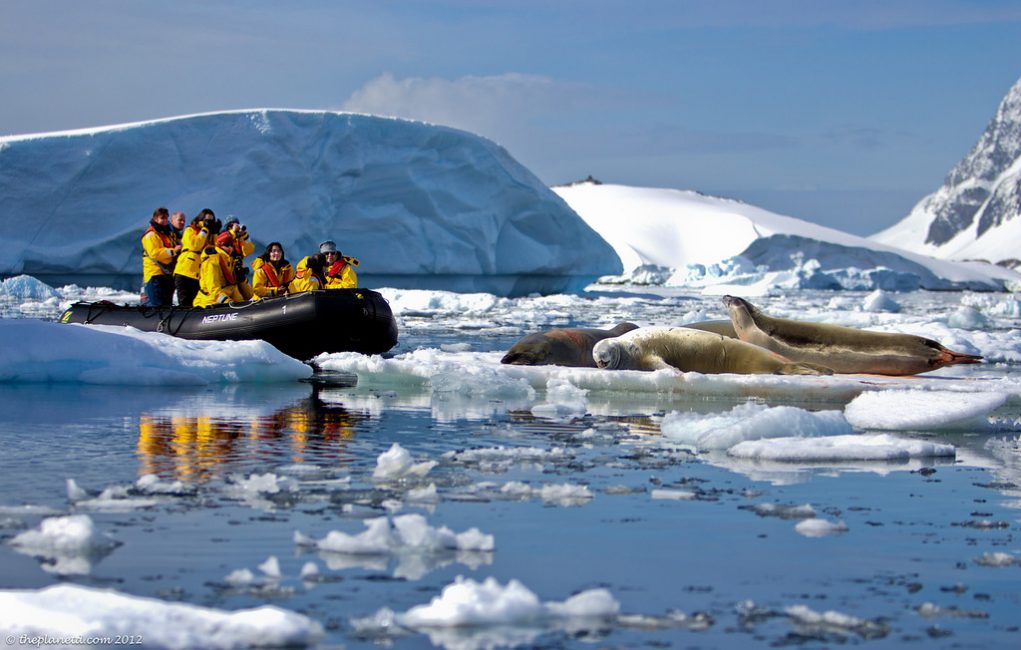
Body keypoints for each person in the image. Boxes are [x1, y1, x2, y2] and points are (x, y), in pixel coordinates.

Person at [194, 230, 254, 307]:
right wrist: (229, 303)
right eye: (227, 245)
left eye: (232, 245)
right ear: (220, 246)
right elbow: (213, 290)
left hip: (230, 300)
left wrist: (242, 279)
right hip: (209, 302)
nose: (230, 248)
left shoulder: (232, 261)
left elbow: (248, 295)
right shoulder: (212, 262)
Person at [174, 209, 220, 307]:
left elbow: (216, 250)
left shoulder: (210, 235)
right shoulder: (190, 230)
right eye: (207, 220)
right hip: (185, 272)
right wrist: (205, 229)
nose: (209, 223)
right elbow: (195, 245)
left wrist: (215, 232)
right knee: (185, 302)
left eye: (211, 221)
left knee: (195, 303)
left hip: (198, 275)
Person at [141, 207, 182, 306]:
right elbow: (154, 253)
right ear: (155, 219)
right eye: (162, 218)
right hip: (155, 274)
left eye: (166, 218)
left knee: (166, 304)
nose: (164, 221)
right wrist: (173, 251)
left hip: (166, 274)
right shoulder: (151, 235)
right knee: (157, 304)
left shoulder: (166, 234)